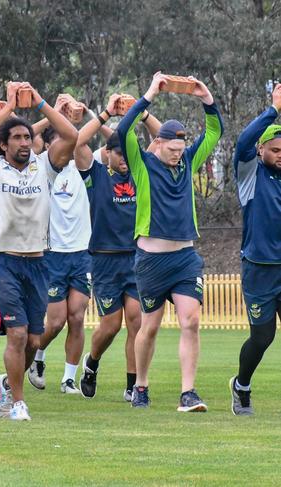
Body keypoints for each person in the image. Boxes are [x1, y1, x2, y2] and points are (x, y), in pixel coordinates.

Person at [0, 82, 78, 420]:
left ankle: (7, 386)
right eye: (15, 137)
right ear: (2, 145)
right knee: (15, 333)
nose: (24, 142)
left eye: (27, 138)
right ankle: (17, 403)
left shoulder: (44, 167)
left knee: (33, 340)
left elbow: (71, 137)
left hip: (38, 262)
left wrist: (41, 103)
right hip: (3, 261)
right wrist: (8, 108)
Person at [116, 72, 223, 411]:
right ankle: (141, 386)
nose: (178, 155)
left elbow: (215, 132)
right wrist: (147, 96)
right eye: (172, 149)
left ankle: (188, 393)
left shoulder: (189, 159)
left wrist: (206, 99)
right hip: (151, 260)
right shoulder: (142, 163)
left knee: (191, 320)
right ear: (158, 143)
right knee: (149, 327)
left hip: (185, 259)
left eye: (181, 149)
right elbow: (122, 130)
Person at [74, 94, 161, 400]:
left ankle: (132, 385)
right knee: (110, 325)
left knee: (137, 320)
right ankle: (92, 363)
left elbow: (163, 140)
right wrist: (106, 113)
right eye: (119, 153)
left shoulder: (141, 173)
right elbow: (76, 142)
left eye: (128, 154)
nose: (125, 158)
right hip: (104, 260)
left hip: (137, 258)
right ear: (107, 154)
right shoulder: (96, 174)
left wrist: (143, 111)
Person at [28, 94, 91, 395]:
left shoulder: (80, 166)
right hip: (52, 254)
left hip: (80, 253)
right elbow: (28, 133)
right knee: (55, 321)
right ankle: (37, 356)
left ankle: (68, 379)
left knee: (77, 317)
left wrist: (86, 112)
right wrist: (51, 107)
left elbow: (80, 137)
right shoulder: (40, 167)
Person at [229, 83, 281, 416]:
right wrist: (273, 110)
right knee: (263, 338)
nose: (280, 155)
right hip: (259, 270)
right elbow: (243, 142)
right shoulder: (250, 174)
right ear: (262, 149)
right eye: (275, 149)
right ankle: (241, 385)